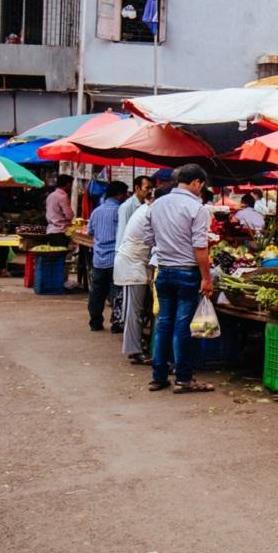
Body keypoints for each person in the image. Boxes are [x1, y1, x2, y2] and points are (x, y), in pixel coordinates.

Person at [142, 164, 215, 394]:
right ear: (196, 183)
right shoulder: (197, 208)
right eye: (201, 185)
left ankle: (158, 377)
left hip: (163, 270)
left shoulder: (157, 204)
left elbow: (148, 239)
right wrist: (207, 278)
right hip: (187, 272)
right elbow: (200, 248)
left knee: (164, 324)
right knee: (182, 327)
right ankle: (183, 379)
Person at [115, 188, 156, 365]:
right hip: (132, 264)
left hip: (137, 263)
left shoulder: (147, 210)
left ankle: (138, 345)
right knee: (134, 311)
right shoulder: (149, 212)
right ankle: (134, 350)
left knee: (138, 309)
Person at [84, 181, 127, 331]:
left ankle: (95, 322)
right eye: (125, 194)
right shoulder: (120, 211)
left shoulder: (96, 211)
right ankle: (116, 323)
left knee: (97, 292)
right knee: (116, 292)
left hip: (98, 258)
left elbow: (90, 232)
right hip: (114, 258)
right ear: (119, 194)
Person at [45, 174, 74, 248]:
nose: (71, 187)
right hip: (60, 231)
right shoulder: (63, 197)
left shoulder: (50, 195)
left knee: (53, 254)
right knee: (60, 255)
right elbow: (69, 215)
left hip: (50, 230)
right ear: (68, 184)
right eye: (71, 185)